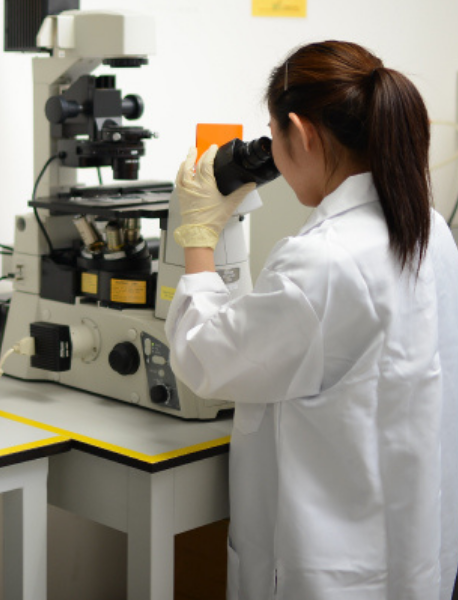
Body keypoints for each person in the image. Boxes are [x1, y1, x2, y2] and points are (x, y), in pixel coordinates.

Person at [164, 40, 458, 600]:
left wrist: (198, 235)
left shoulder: (323, 260)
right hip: (413, 550)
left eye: (272, 137)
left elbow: (204, 359)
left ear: (301, 133)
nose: (271, 153)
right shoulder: (429, 229)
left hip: (333, 569)